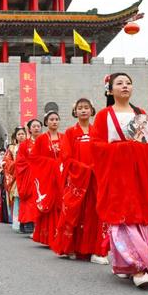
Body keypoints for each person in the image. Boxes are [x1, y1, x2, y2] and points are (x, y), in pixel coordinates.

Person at [90, 72, 148, 289]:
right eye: (119, 83)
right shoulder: (103, 116)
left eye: (128, 83)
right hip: (117, 174)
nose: (125, 86)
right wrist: (125, 148)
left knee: (142, 216)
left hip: (140, 173)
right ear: (110, 90)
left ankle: (125, 262)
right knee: (124, 216)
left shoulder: (142, 113)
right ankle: (138, 266)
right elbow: (97, 147)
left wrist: (138, 150)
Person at [51, 99, 109, 265]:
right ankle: (72, 247)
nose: (83, 111)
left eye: (86, 108)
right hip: (78, 179)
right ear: (75, 112)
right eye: (80, 108)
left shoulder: (98, 131)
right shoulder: (70, 133)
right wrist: (84, 168)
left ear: (92, 111)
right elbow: (66, 158)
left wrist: (96, 168)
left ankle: (95, 250)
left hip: (96, 179)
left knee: (94, 214)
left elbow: (103, 153)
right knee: (73, 212)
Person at [30, 111, 65, 246]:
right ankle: (48, 237)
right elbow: (34, 158)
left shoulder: (64, 137)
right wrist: (51, 164)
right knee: (49, 205)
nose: (54, 122)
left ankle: (60, 236)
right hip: (47, 177)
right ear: (46, 122)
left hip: (62, 175)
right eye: (51, 119)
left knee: (61, 204)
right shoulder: (41, 139)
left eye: (56, 119)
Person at [16, 119, 43, 234]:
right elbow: (20, 161)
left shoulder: (45, 141)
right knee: (30, 199)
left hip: (43, 174)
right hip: (29, 175)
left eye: (38, 126)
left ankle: (41, 224)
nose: (36, 128)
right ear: (29, 129)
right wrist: (31, 164)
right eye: (34, 126)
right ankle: (29, 222)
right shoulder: (24, 145)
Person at [5, 127, 26, 231]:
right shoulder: (12, 149)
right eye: (19, 134)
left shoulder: (30, 146)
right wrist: (17, 163)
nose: (21, 136)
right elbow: (7, 162)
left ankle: (28, 222)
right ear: (16, 137)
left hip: (28, 176)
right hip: (17, 176)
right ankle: (17, 222)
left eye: (23, 134)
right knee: (17, 199)